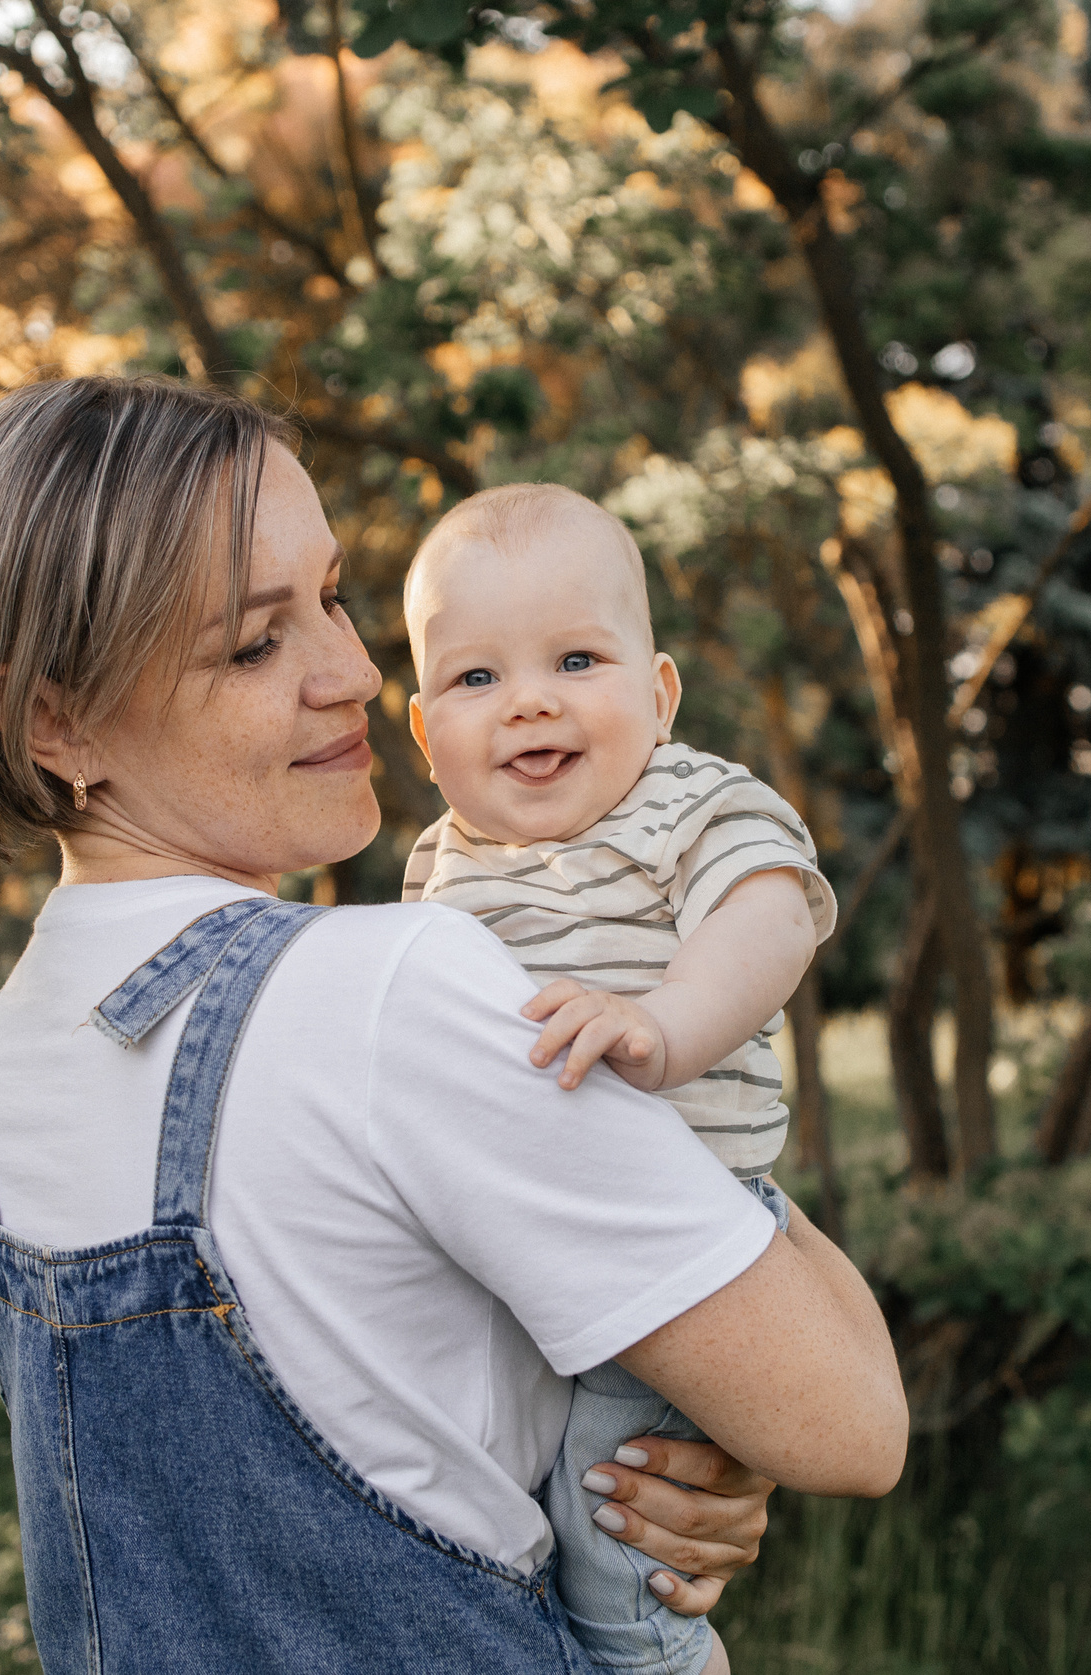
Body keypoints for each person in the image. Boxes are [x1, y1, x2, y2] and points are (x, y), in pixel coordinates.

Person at [0, 375, 905, 1675]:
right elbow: (852, 1418)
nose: (354, 673)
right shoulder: (392, 986)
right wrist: (723, 1227)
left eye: (334, 597)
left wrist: (642, 1457)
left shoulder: (3, 1053)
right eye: (258, 640)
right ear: (54, 719)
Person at [402, 484, 832, 1675]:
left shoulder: (682, 800)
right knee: (518, 1508)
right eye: (476, 679)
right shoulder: (439, 863)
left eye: (576, 659)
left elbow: (770, 914)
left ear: (659, 694)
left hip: (674, 1234)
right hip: (531, 1250)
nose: (529, 699)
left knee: (616, 1525)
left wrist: (665, 1021)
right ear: (426, 732)